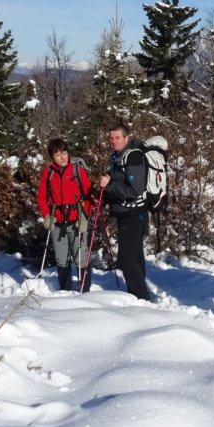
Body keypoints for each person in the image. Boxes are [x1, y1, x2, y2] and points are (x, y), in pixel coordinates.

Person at [99, 122, 152, 301]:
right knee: (135, 257)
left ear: (127, 138)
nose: (113, 141)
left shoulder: (132, 157)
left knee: (126, 261)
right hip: (129, 213)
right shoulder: (118, 156)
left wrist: (110, 184)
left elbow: (135, 190)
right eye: (111, 138)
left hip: (133, 214)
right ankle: (140, 296)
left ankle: (140, 297)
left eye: (117, 137)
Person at [37, 137, 94, 292]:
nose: (62, 157)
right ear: (52, 157)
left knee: (80, 257)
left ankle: (85, 291)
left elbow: (89, 196)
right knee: (61, 258)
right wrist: (47, 215)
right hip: (57, 222)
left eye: (64, 152)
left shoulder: (77, 170)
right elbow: (41, 196)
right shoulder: (48, 172)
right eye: (57, 154)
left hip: (76, 220)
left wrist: (85, 216)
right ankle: (65, 291)